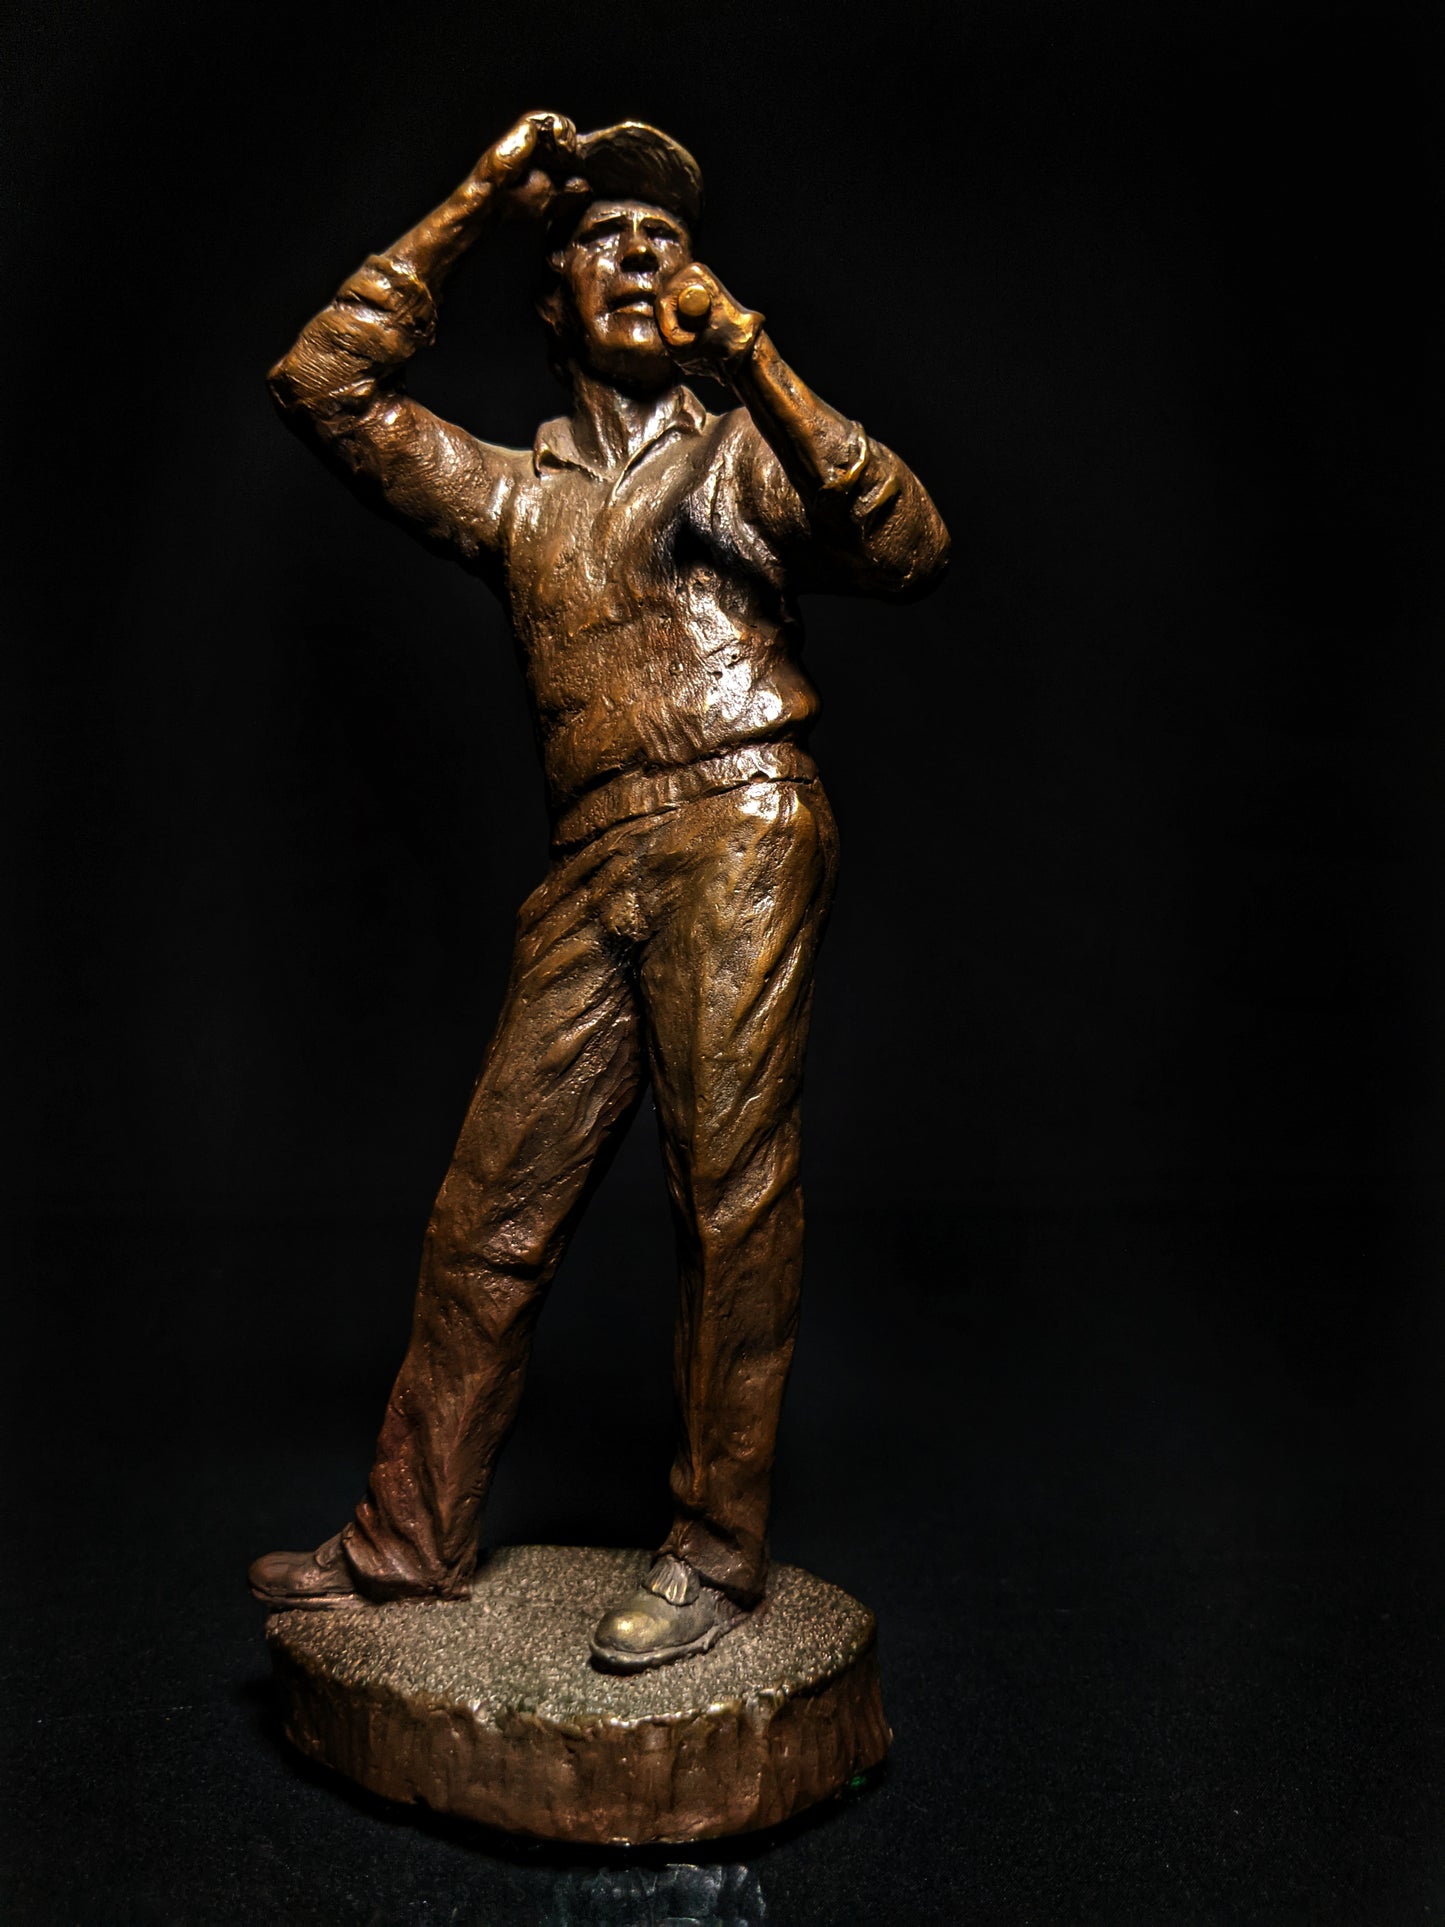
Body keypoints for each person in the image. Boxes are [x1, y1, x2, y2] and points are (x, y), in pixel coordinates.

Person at [249, 112, 949, 1671]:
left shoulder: (743, 450)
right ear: (550, 299)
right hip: (594, 858)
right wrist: (476, 200)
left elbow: (905, 543)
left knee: (729, 1194)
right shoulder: (517, 495)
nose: (638, 253)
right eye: (599, 236)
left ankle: (713, 1553)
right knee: (487, 1213)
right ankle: (408, 1539)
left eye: (667, 237)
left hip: (740, 817)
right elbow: (322, 385)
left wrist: (753, 353)